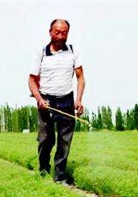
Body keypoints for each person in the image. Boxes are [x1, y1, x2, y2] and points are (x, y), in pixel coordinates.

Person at [28, 19, 85, 183]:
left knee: (64, 141)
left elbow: (81, 78)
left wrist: (79, 99)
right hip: (46, 101)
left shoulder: (73, 51)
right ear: (50, 32)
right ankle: (44, 171)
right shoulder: (41, 53)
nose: (61, 36)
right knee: (46, 140)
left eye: (64, 33)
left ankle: (60, 177)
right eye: (57, 32)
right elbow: (31, 80)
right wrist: (39, 99)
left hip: (66, 100)